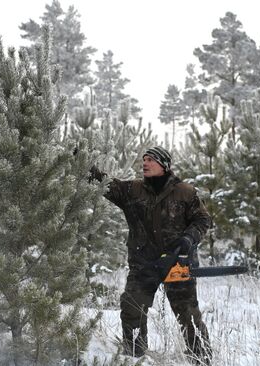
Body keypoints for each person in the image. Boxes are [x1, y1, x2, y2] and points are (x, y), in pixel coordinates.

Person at [89, 146, 212, 364]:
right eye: (144, 159)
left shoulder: (185, 192)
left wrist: (187, 239)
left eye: (151, 160)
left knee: (189, 316)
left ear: (164, 165)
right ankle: (135, 356)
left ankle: (201, 359)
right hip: (144, 264)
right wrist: (82, 165)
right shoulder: (131, 190)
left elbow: (202, 220)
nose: (145, 163)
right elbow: (104, 183)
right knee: (132, 310)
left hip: (178, 264)